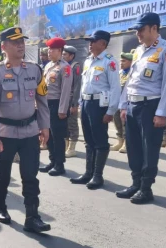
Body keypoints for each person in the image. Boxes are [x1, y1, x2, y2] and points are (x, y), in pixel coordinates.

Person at [0, 26, 51, 233]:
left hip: (30, 131)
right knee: (2, 174)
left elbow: (42, 100)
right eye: (15, 42)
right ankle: (0, 207)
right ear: (4, 46)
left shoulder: (34, 70)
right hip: (5, 134)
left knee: (30, 175)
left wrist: (45, 126)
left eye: (22, 41)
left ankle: (32, 217)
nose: (21, 45)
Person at [116, 12, 166, 204]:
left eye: (141, 29)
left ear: (154, 28)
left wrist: (162, 113)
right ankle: (135, 183)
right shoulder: (138, 51)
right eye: (136, 30)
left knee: (149, 148)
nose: (138, 34)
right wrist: (124, 104)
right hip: (133, 104)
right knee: (133, 147)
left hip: (151, 105)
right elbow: (131, 80)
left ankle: (146, 187)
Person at [70, 31, 120, 189]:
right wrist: (80, 102)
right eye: (89, 41)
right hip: (86, 103)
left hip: (100, 105)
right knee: (88, 140)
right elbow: (85, 84)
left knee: (100, 140)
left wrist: (111, 111)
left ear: (103, 44)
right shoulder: (88, 61)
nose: (90, 44)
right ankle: (88, 173)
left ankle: (98, 176)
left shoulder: (109, 62)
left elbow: (115, 88)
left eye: (94, 41)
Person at [39, 37, 73, 176]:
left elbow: (66, 90)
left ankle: (60, 164)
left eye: (51, 49)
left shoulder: (65, 67)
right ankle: (52, 161)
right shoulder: (48, 66)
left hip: (57, 104)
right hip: (47, 103)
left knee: (58, 136)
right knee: (49, 136)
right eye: (48, 49)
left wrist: (62, 110)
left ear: (59, 50)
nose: (49, 52)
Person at [62, 45, 82, 158]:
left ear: (71, 56)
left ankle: (72, 147)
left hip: (71, 98)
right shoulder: (63, 66)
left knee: (72, 123)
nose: (63, 56)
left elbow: (76, 86)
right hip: (63, 98)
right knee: (64, 123)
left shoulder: (75, 66)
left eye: (65, 54)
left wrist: (74, 104)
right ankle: (66, 144)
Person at [111, 51, 133, 153]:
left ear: (130, 62)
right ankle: (120, 140)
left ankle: (126, 143)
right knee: (117, 122)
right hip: (117, 102)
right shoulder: (119, 73)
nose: (121, 63)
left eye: (124, 61)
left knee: (125, 124)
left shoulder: (132, 73)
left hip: (127, 103)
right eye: (120, 61)